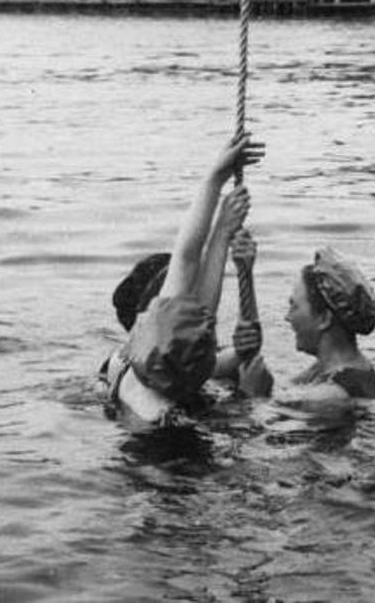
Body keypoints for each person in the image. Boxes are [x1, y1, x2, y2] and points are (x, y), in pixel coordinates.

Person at [102, 133, 264, 428]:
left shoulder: (129, 369)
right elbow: (189, 269)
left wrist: (214, 184)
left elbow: (187, 262)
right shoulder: (187, 374)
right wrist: (220, 227)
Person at [234, 246, 375, 407]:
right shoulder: (337, 369)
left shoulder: (328, 396)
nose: (288, 317)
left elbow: (263, 428)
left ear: (324, 319)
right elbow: (279, 391)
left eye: (294, 307)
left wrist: (251, 397)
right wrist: (245, 272)